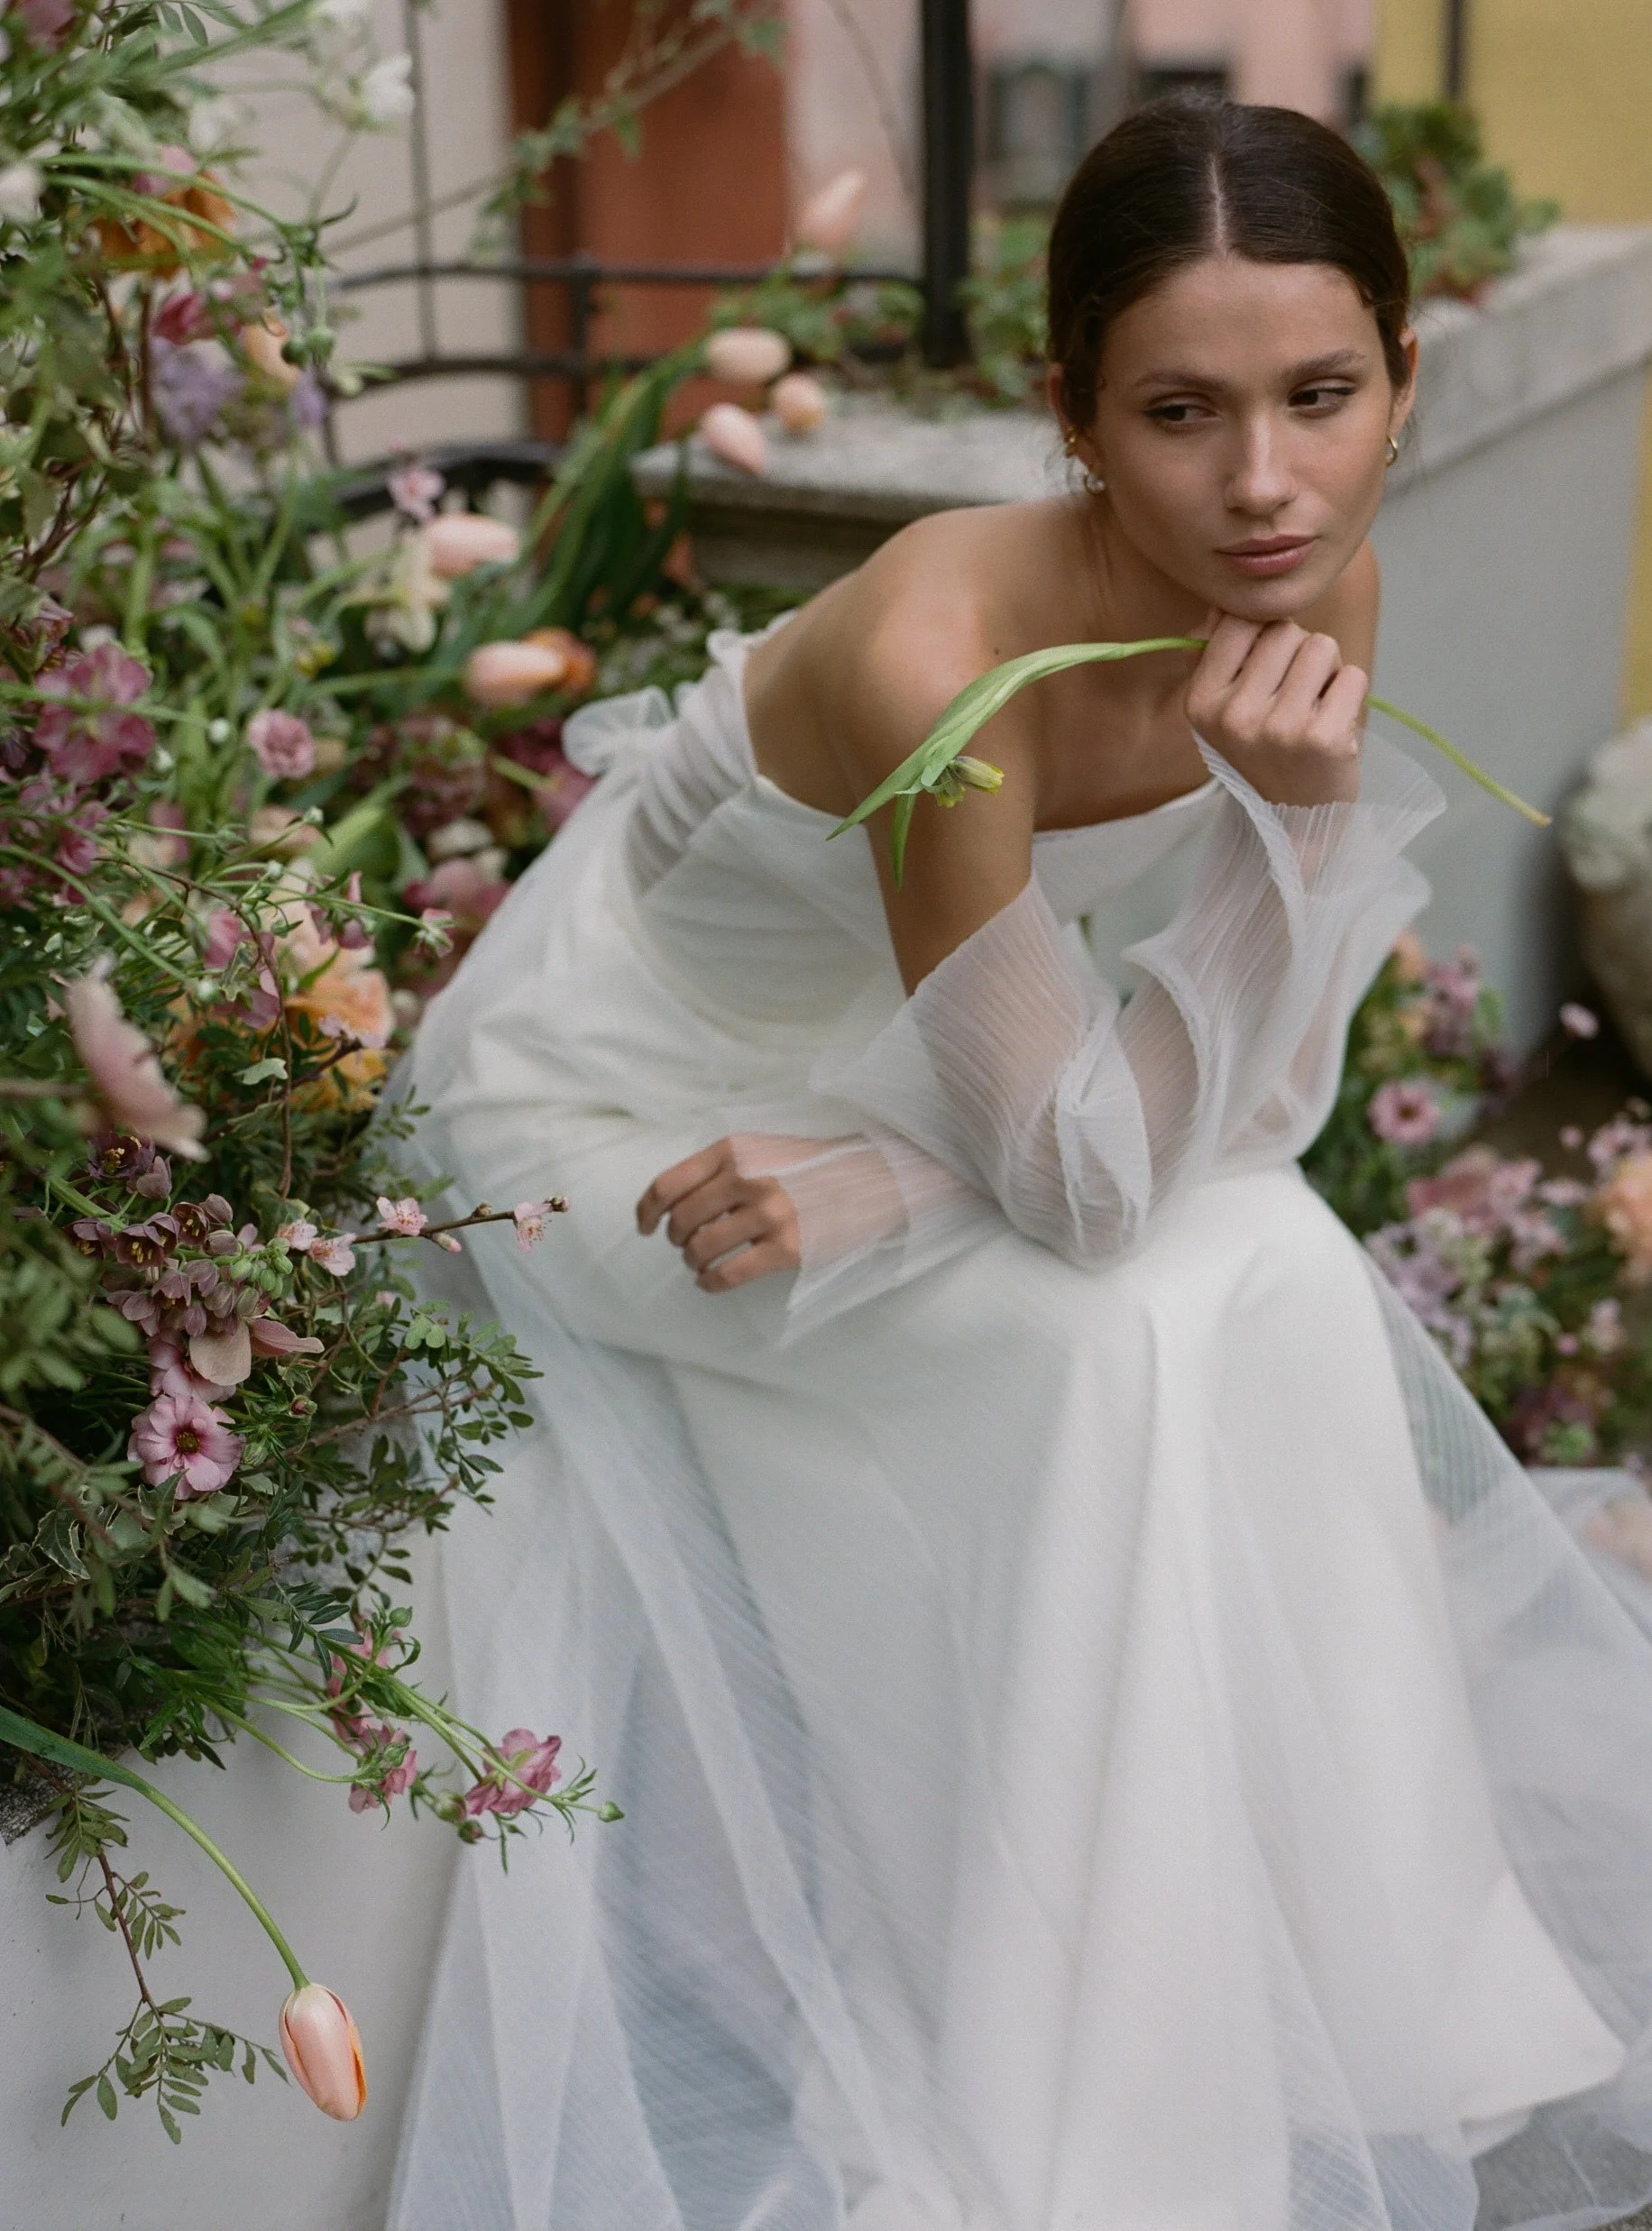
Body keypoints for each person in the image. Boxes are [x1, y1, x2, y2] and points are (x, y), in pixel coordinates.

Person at [388, 99, 1652, 2231]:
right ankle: (1081, 2125)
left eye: (1319, 398)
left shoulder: (1320, 567)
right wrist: (937, 1147)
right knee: (1113, 1326)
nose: (1262, 481)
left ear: (1400, 381)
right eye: (1178, 410)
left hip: (903, 1114)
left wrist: (1293, 833)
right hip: (622, 1132)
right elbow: (1078, 1179)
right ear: (1067, 409)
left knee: (1257, 1256)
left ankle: (1383, 2005)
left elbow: (1255, 1111)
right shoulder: (935, 670)